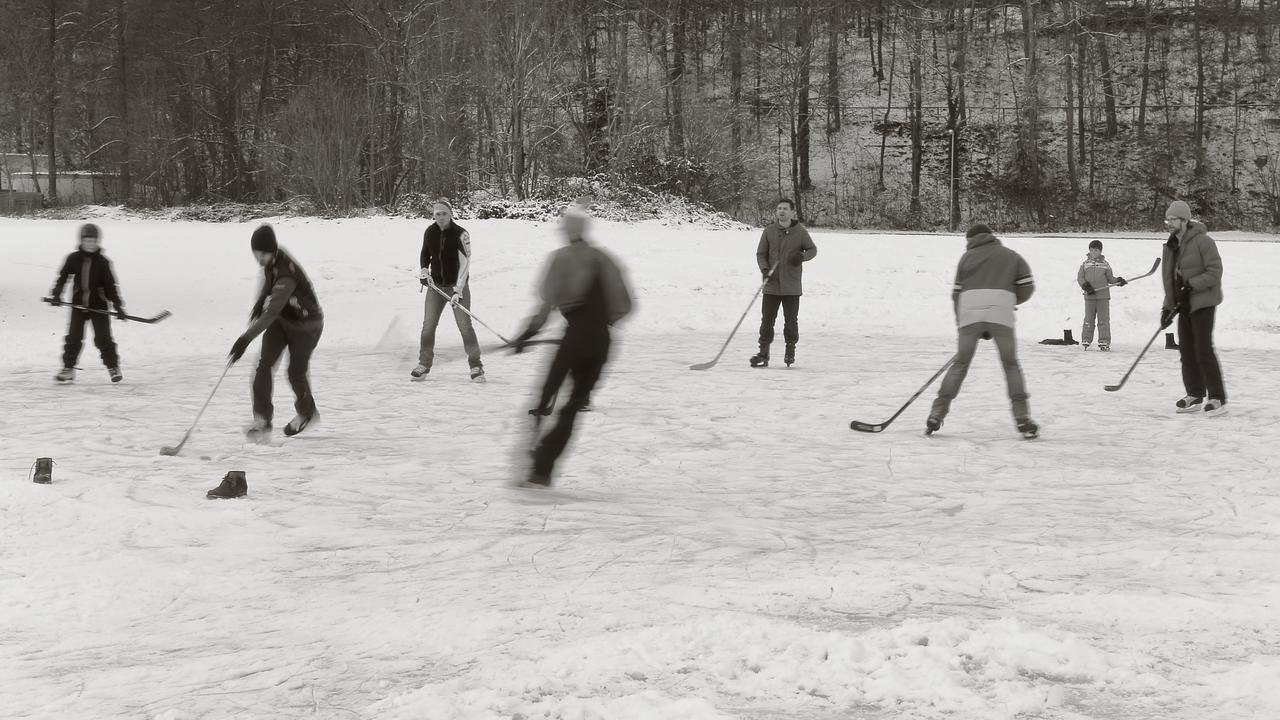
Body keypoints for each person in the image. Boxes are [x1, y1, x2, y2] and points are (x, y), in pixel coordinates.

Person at [512, 204, 633, 487]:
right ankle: (543, 469)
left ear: (567, 231)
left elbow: (545, 308)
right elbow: (625, 305)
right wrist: (599, 323)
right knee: (572, 407)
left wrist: (526, 335)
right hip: (602, 342)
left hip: (574, 339)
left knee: (545, 397)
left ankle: (528, 460)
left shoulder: (560, 259)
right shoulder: (606, 259)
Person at [927, 223, 1038, 438]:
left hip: (970, 313)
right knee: (1010, 364)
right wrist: (1010, 299)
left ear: (971, 239)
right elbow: (1027, 286)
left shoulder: (966, 258)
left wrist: (964, 323)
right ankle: (1022, 417)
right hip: (1000, 313)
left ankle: (937, 413)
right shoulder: (1012, 256)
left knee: (960, 363)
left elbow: (956, 295)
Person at [228, 224, 324, 439]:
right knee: (264, 365)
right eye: (255, 254)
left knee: (295, 373)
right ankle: (262, 419)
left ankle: (308, 412)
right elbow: (268, 281)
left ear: (270, 250)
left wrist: (245, 339)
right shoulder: (272, 260)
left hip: (307, 326)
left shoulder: (286, 275)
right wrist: (260, 300)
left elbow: (271, 312)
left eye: (260, 254)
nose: (258, 259)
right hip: (283, 322)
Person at [1160, 200, 1227, 416]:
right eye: (1167, 219)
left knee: (1203, 350)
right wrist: (1166, 309)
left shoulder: (1203, 242)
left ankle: (1217, 398)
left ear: (1184, 220)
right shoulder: (1171, 246)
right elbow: (1171, 280)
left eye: (1173, 219)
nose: (1169, 223)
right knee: (1187, 351)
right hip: (1184, 305)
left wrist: (1192, 284)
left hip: (1203, 302)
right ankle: (1195, 395)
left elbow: (1215, 272)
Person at [44, 223, 127, 383]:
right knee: (73, 338)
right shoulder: (73, 258)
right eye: (87, 240)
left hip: (98, 306)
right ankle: (68, 369)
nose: (90, 244)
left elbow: (110, 286)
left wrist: (117, 305)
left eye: (93, 241)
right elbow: (63, 277)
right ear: (81, 240)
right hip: (78, 306)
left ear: (98, 241)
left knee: (103, 339)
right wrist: (57, 294)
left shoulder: (103, 262)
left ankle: (113, 367)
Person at [414, 199, 484, 382]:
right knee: (428, 326)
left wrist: (458, 290)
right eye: (437, 214)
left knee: (465, 327)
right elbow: (425, 254)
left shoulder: (461, 234)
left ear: (450, 214)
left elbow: (465, 264)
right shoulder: (430, 232)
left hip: (457, 286)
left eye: (444, 213)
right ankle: (424, 364)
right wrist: (424, 271)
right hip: (435, 287)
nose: (441, 217)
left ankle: (476, 366)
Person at [752, 198, 817, 368]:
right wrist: (765, 269)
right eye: (779, 208)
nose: (781, 211)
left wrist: (801, 257)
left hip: (792, 285)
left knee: (790, 321)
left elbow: (812, 250)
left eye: (785, 209)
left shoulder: (800, 231)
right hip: (772, 284)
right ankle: (763, 353)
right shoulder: (769, 231)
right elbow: (761, 254)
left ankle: (790, 350)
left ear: (792, 212)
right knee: (767, 320)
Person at [1076, 239, 1127, 351]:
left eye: (1096, 250)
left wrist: (1118, 280)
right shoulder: (1085, 264)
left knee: (1103, 320)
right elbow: (1080, 277)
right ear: (1089, 251)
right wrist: (1086, 286)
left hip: (1103, 296)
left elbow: (1110, 278)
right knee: (1089, 319)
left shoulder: (1105, 264)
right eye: (1092, 250)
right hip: (1089, 295)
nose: (1094, 252)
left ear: (1100, 251)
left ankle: (1104, 341)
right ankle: (1086, 339)